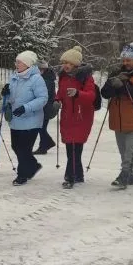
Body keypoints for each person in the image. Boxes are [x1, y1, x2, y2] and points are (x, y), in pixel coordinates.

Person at [1, 51, 49, 185]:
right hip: (16, 120)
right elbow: (11, 99)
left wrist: (26, 108)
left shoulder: (36, 79)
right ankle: (33, 165)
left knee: (24, 150)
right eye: (16, 62)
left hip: (31, 120)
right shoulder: (14, 77)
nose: (16, 64)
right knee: (16, 146)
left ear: (27, 64)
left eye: (19, 62)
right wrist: (6, 93)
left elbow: (43, 99)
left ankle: (22, 175)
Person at [55, 46, 97, 189]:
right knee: (71, 147)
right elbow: (60, 93)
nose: (66, 65)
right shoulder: (63, 76)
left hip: (81, 117)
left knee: (74, 147)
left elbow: (91, 96)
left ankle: (70, 176)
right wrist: (56, 100)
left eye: (69, 63)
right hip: (67, 116)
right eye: (64, 62)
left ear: (76, 64)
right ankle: (78, 174)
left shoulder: (86, 77)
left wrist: (78, 93)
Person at [100, 40, 133, 189]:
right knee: (124, 151)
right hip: (118, 120)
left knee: (130, 152)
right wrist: (111, 84)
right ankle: (131, 176)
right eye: (124, 59)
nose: (126, 62)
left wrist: (124, 85)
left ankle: (124, 176)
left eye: (129, 59)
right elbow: (104, 93)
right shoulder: (116, 73)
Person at [34, 60, 57, 155]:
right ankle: (44, 146)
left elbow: (42, 94)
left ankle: (46, 145)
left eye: (42, 69)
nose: (40, 70)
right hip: (44, 106)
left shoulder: (46, 79)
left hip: (45, 107)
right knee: (41, 127)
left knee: (40, 127)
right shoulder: (45, 77)